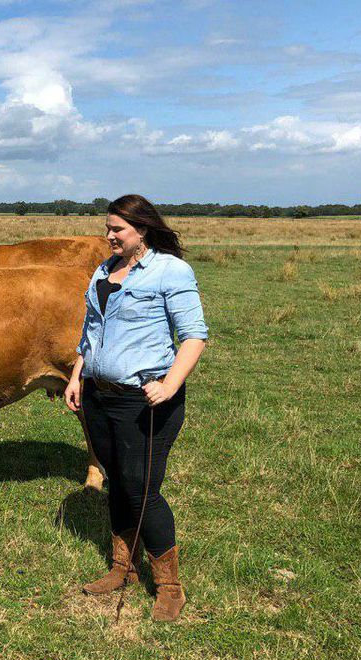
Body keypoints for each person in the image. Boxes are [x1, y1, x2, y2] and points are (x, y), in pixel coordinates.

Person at [64, 194, 207, 622]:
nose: (108, 236)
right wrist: (76, 376)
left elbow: (194, 335)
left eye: (117, 230)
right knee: (117, 480)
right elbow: (91, 331)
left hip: (143, 399)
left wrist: (170, 385)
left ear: (141, 230)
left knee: (141, 486)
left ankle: (169, 587)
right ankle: (122, 569)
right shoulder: (104, 271)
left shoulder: (170, 271)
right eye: (107, 228)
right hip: (97, 393)